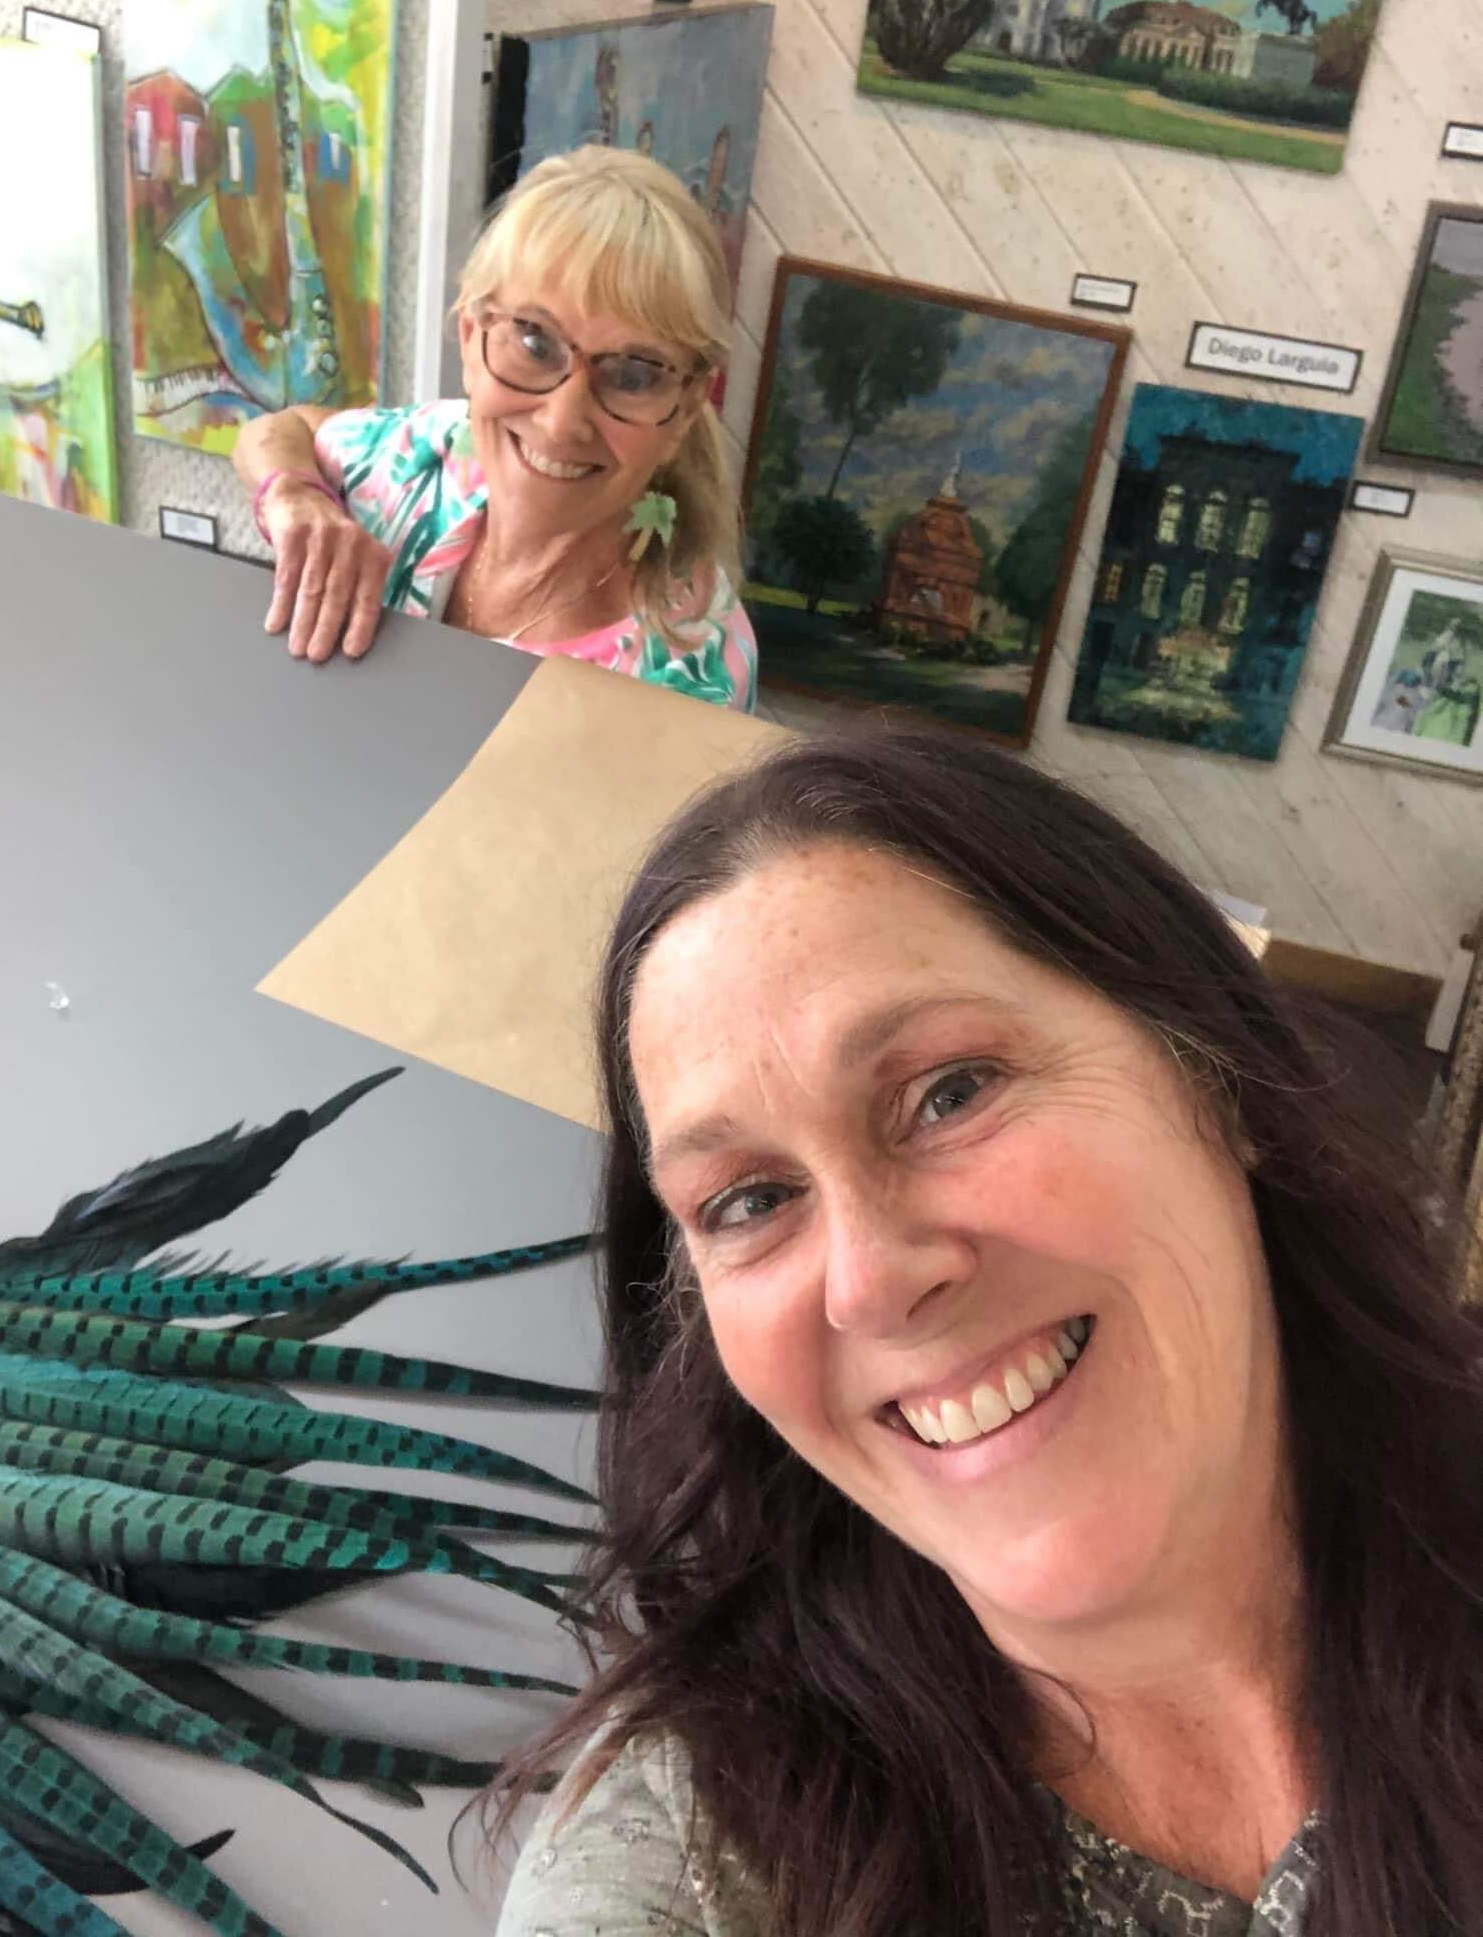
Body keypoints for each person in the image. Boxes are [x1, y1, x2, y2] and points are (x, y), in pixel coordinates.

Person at [489, 730, 1483, 1937]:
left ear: (1215, 1078)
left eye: (950, 1090)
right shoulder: (700, 1864)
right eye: (749, 1200)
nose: (867, 1282)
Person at [232, 147, 757, 709]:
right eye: (535, 341)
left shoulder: (694, 671)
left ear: (686, 405)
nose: (561, 422)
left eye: (633, 374)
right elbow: (280, 429)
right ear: (469, 336)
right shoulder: (429, 456)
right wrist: (294, 496)